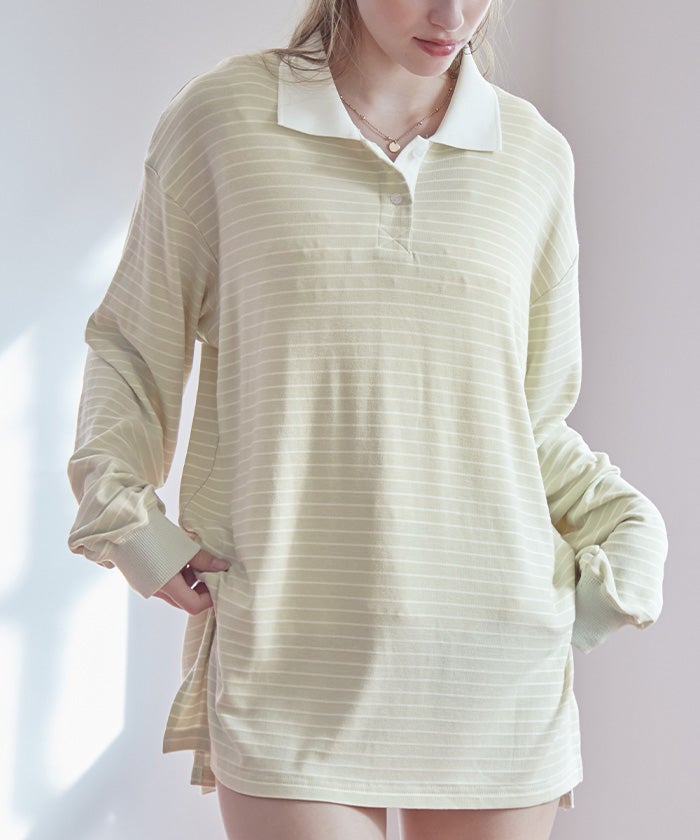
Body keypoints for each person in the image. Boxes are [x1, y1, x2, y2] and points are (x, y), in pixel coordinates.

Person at [66, 1, 668, 838]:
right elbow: (132, 345)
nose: (453, 14)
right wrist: (125, 520)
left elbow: (526, 420)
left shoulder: (533, 157)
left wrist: (629, 534)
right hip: (290, 656)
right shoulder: (223, 122)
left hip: (495, 665)